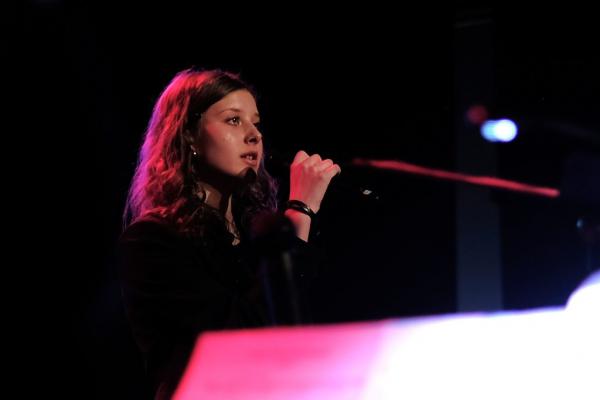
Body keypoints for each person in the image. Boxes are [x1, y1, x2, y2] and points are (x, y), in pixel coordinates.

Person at [118, 67, 340, 399]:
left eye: (256, 123)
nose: (254, 135)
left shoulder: (257, 233)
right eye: (234, 120)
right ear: (189, 135)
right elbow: (239, 337)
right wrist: (301, 210)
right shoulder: (152, 241)